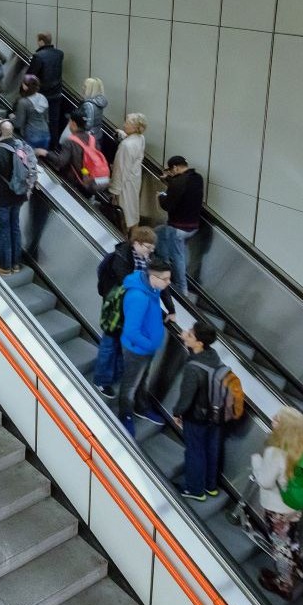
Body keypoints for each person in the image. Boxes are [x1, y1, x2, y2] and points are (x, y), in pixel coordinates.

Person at [252, 406, 303, 599]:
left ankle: (284, 583)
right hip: (296, 505)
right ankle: (293, 566)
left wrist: (257, 461)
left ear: (286, 427)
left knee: (280, 545)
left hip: (277, 509)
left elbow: (264, 481)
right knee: (291, 538)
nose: (273, 419)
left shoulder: (276, 451)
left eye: (277, 419)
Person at [93, 225, 159, 396]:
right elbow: (127, 283)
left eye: (152, 248)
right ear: (136, 243)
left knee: (121, 343)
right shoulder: (121, 257)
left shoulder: (147, 259)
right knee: (109, 342)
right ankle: (101, 380)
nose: (150, 251)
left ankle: (114, 375)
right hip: (116, 308)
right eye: (148, 247)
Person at [113, 259, 174, 432]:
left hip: (146, 349)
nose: (168, 283)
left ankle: (140, 407)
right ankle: (125, 415)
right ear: (153, 277)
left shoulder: (151, 288)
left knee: (142, 379)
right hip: (137, 350)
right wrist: (148, 345)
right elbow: (131, 330)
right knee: (130, 385)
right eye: (165, 279)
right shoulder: (139, 297)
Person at [169, 321, 224, 500]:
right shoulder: (213, 356)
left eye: (190, 334)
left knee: (195, 451)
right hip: (215, 413)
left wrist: (177, 413)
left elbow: (186, 397)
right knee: (211, 449)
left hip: (197, 416)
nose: (186, 333)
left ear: (199, 343)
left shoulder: (193, 368)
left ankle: (195, 490)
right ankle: (210, 486)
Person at [0, 119, 31, 275]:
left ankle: (5, 266)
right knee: (14, 228)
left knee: (3, 232)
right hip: (18, 196)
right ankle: (16, 264)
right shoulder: (20, 147)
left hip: (1, 199)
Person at [157, 156, 204, 295]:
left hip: (178, 228)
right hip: (193, 226)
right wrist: (169, 180)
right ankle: (163, 263)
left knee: (178, 257)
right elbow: (182, 186)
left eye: (171, 171)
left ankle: (182, 289)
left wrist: (161, 196)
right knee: (158, 233)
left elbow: (167, 205)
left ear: (175, 168)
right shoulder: (197, 178)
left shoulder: (177, 183)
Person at [26, 33, 66, 146]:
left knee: (39, 121)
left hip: (42, 95)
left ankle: (40, 145)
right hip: (57, 94)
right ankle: (54, 146)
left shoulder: (38, 56)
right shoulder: (59, 54)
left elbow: (30, 75)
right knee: (54, 121)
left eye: (38, 40)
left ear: (41, 42)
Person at [110, 114, 148, 227]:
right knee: (132, 209)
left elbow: (120, 170)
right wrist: (123, 134)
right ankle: (133, 231)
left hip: (124, 184)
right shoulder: (141, 138)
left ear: (135, 128)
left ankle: (126, 235)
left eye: (127, 123)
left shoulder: (126, 146)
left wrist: (114, 191)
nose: (124, 125)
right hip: (134, 179)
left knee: (123, 213)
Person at [12, 75, 51, 150]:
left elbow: (18, 123)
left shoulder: (23, 102)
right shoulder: (43, 98)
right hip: (46, 135)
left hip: (32, 135)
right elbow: (47, 119)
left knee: (28, 158)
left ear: (24, 87)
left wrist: (11, 118)